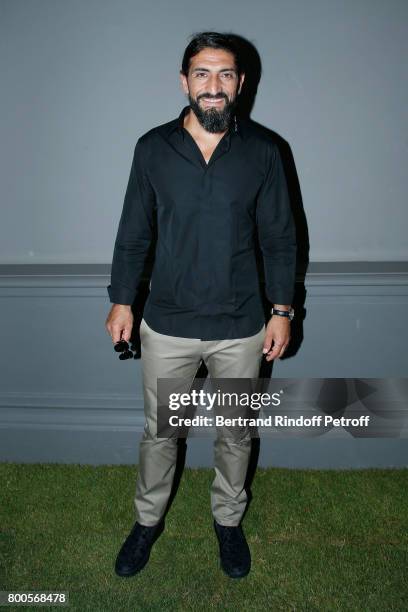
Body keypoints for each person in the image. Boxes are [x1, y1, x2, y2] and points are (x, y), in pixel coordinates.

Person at [105, 31, 297, 579]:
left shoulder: (264, 152)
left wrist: (282, 310)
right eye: (203, 74)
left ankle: (228, 523)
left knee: (235, 433)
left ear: (241, 83)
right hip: (165, 325)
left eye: (225, 75)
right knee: (162, 434)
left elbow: (281, 239)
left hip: (241, 327)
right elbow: (132, 235)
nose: (214, 86)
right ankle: (147, 522)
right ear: (184, 81)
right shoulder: (152, 149)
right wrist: (122, 301)